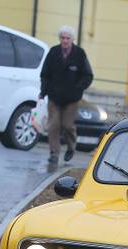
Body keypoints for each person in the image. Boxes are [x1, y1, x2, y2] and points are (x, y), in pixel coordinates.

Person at [40, 26, 93, 169]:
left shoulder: (79, 54)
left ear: (72, 39)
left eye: (67, 38)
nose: (64, 40)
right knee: (53, 125)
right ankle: (54, 154)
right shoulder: (53, 52)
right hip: (54, 96)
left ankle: (71, 147)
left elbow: (88, 75)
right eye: (62, 38)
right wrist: (43, 92)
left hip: (72, 99)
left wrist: (78, 88)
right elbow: (45, 74)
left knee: (67, 125)